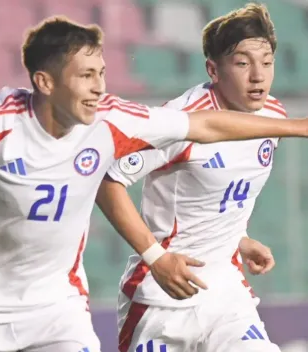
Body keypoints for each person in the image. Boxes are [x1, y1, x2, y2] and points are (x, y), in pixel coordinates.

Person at [0, 16, 306, 352]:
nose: (99, 87)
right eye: (85, 76)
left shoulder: (110, 120)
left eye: (101, 73)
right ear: (44, 81)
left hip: (61, 311)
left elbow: (203, 127)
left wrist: (295, 127)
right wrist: (156, 254)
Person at [97, 3, 284, 352]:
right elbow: (108, 182)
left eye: (267, 62)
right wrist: (157, 258)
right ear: (213, 69)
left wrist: (239, 238)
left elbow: (216, 190)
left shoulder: (272, 116)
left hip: (226, 293)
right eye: (243, 63)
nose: (258, 76)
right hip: (163, 296)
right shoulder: (179, 122)